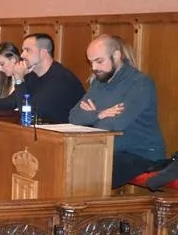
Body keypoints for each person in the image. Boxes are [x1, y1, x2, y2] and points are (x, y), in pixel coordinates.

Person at [69, 34, 165, 188]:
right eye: (91, 62)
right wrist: (100, 114)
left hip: (140, 153)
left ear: (117, 55)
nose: (94, 68)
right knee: (69, 163)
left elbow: (114, 125)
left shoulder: (140, 84)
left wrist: (91, 118)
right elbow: (74, 117)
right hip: (107, 149)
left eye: (99, 61)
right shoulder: (99, 83)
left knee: (87, 171)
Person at [0, 33, 84, 122]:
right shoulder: (32, 76)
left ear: (43, 52)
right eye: (22, 50)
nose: (22, 55)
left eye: (27, 50)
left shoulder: (61, 79)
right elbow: (11, 101)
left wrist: (19, 80)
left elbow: (30, 113)